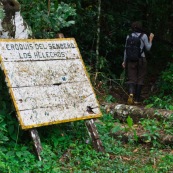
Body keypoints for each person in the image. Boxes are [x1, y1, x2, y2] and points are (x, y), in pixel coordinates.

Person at [122, 21, 154, 104]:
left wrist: (124, 61)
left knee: (131, 78)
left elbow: (126, 50)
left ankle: (131, 93)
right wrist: (150, 39)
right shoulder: (143, 36)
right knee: (140, 78)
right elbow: (148, 48)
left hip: (130, 60)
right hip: (141, 59)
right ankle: (137, 99)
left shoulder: (128, 36)